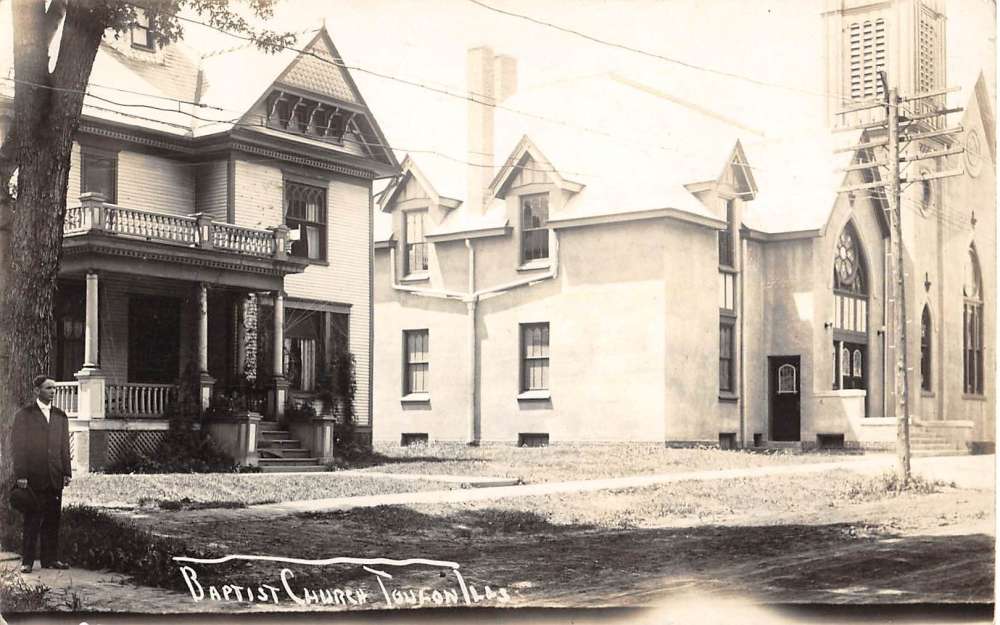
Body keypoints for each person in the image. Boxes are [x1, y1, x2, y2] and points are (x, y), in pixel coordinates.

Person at [12, 375, 72, 573]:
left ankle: (50, 559)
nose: (52, 391)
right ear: (37, 390)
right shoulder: (24, 415)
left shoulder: (61, 416)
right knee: (32, 519)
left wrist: (66, 472)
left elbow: (64, 447)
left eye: (54, 388)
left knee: (53, 519)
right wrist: (21, 475)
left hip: (55, 476)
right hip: (33, 477)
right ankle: (27, 561)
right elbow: (18, 447)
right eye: (48, 388)